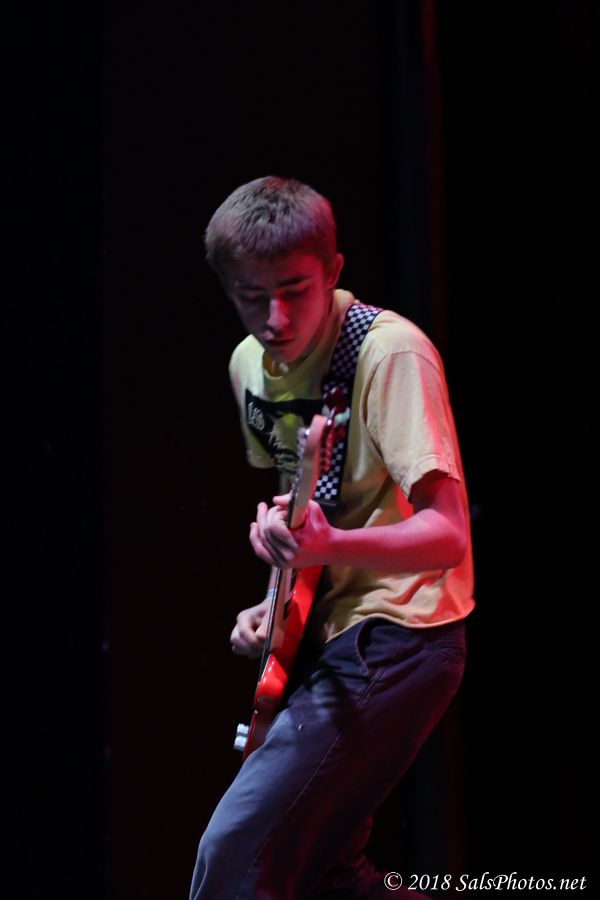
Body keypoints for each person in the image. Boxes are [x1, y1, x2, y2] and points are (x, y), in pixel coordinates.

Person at [189, 176, 474, 899]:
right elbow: (309, 510)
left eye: (295, 290)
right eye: (253, 297)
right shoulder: (247, 367)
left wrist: (328, 548)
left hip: (402, 632)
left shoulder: (390, 352)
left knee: (235, 854)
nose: (276, 318)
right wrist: (272, 603)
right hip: (325, 634)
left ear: (334, 271)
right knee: (330, 880)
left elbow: (448, 534)